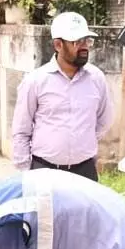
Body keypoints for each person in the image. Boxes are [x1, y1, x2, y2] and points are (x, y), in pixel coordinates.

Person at [11, 12, 112, 181]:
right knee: (47, 209)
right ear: (58, 45)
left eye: (87, 41)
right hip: (44, 171)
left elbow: (104, 120)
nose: (84, 47)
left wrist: (82, 141)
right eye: (77, 42)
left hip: (84, 172)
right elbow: (21, 131)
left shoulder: (96, 78)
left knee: (84, 209)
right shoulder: (36, 81)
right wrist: (25, 172)